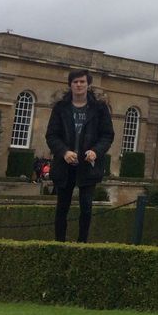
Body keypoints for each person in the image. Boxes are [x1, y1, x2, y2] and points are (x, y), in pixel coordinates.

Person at [45, 69, 114, 243]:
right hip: (64, 165)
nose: (79, 85)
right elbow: (52, 135)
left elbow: (107, 135)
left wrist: (96, 151)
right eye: (75, 82)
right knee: (62, 208)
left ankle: (82, 244)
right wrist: (64, 152)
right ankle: (59, 244)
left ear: (88, 84)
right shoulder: (61, 108)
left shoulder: (99, 108)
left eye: (82, 81)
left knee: (86, 208)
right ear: (70, 84)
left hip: (88, 165)